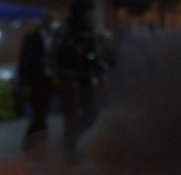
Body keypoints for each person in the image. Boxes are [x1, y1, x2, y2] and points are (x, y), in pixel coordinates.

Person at [50, 0, 112, 163]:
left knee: (92, 115)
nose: (89, 14)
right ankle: (68, 152)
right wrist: (55, 76)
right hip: (68, 79)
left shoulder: (90, 30)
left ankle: (67, 143)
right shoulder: (64, 30)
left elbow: (94, 55)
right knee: (71, 118)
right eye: (87, 11)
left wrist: (101, 75)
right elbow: (52, 54)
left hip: (87, 79)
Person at [18, 12, 57, 151]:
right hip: (35, 82)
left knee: (43, 113)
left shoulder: (54, 37)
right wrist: (25, 84)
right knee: (39, 114)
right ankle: (32, 143)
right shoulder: (32, 38)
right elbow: (25, 62)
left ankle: (37, 143)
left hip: (48, 80)